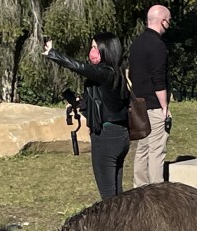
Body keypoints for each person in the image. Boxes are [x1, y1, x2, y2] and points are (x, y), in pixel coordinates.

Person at [44, 33, 130, 200]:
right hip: (120, 135)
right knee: (117, 194)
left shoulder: (106, 72)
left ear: (107, 50)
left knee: (108, 198)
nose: (92, 52)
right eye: (92, 47)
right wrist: (81, 103)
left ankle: (112, 225)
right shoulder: (117, 73)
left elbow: (81, 67)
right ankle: (122, 224)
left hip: (106, 138)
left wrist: (53, 53)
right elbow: (105, 102)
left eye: (95, 48)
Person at [128, 4, 171, 187]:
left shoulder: (136, 43)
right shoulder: (158, 46)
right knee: (156, 150)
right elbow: (159, 81)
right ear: (163, 21)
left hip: (138, 104)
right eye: (169, 21)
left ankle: (140, 188)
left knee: (142, 149)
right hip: (154, 106)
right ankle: (157, 192)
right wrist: (165, 108)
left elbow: (131, 74)